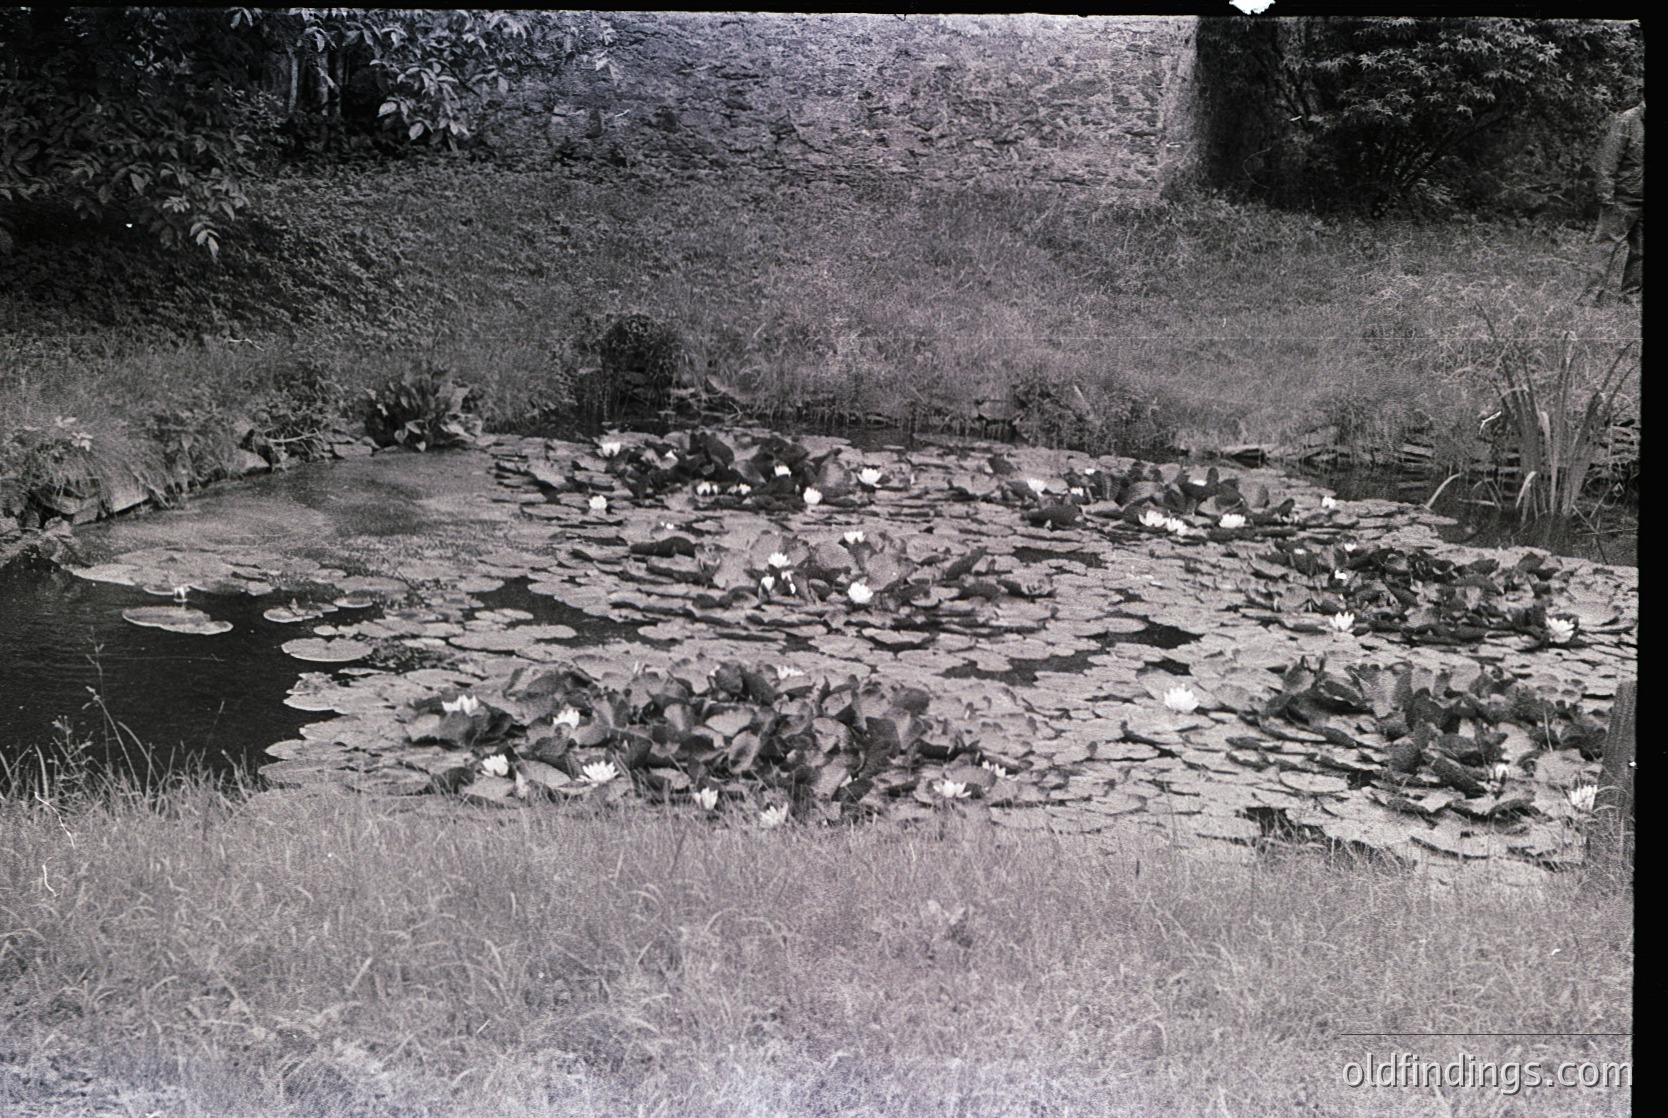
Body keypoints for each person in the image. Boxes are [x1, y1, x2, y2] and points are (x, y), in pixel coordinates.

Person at [1590, 100, 1643, 302]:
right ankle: (1590, 297)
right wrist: (1605, 195)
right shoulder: (1626, 120)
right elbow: (1607, 160)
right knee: (1605, 247)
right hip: (1621, 198)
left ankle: (1630, 298)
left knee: (1641, 252)